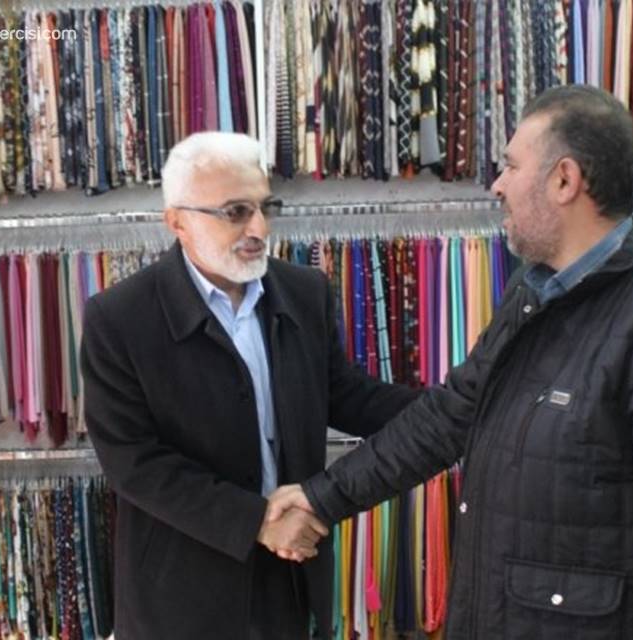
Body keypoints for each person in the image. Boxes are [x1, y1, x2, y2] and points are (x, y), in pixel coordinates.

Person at [267, 85, 633, 638]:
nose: (497, 185)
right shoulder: (536, 289)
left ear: (564, 180)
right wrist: (324, 498)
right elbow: (451, 414)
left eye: (510, 166)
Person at [80, 131, 419, 640]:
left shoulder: (304, 292)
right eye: (235, 212)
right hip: (183, 589)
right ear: (178, 222)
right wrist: (257, 520)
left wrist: (455, 409)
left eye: (265, 207)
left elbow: (344, 395)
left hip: (289, 573)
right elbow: (134, 463)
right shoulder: (120, 318)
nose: (258, 227)